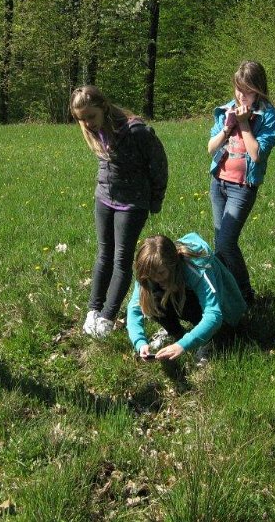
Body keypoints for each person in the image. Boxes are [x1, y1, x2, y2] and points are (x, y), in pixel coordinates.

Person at [71, 85, 168, 338]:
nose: (87, 124)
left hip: (132, 203)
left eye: (90, 116)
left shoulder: (136, 131)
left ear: (103, 107)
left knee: (121, 260)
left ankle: (107, 318)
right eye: (81, 119)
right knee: (104, 254)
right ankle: (93, 310)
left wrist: (155, 200)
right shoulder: (94, 130)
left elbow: (158, 165)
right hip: (104, 198)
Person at [207, 60, 275, 306]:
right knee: (220, 244)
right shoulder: (226, 110)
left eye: (247, 90)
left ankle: (246, 295)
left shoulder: (268, 116)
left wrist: (245, 124)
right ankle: (226, 294)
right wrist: (227, 128)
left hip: (242, 187)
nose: (241, 95)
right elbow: (211, 148)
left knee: (227, 241)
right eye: (238, 89)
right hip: (219, 183)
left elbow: (257, 155)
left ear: (259, 89)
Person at [126, 233, 246, 365]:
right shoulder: (149, 270)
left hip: (225, 312)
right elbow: (134, 308)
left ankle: (209, 340)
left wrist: (182, 345)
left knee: (188, 302)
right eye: (151, 275)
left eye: (161, 273)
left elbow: (214, 315)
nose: (156, 279)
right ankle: (177, 333)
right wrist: (140, 342)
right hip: (180, 296)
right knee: (151, 298)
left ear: (173, 264)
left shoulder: (196, 267)